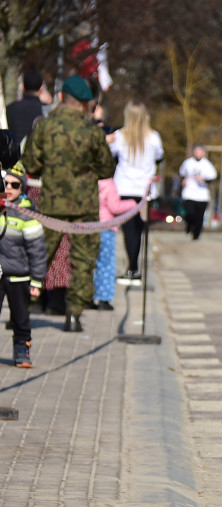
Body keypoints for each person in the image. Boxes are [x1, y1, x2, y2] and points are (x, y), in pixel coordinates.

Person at [21, 75, 116, 333]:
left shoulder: (44, 127)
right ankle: (73, 316)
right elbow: (107, 168)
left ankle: (23, 309)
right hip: (84, 206)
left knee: (38, 258)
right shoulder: (92, 133)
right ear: (85, 103)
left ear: (62, 98)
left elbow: (31, 165)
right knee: (83, 260)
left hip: (52, 205)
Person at [108, 100, 163, 285]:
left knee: (129, 231)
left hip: (125, 188)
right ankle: (134, 267)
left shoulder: (120, 136)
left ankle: (132, 268)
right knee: (137, 231)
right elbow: (159, 156)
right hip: (143, 190)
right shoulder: (154, 137)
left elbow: (111, 154)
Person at [1, 162, 47, 367]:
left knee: (20, 317)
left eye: (15, 185)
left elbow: (37, 251)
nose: (9, 188)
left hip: (19, 275)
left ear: (23, 189)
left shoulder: (27, 215)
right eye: (5, 184)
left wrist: (37, 281)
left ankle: (22, 349)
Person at [93, 177, 137, 310]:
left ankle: (87, 296)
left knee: (90, 263)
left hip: (89, 226)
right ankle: (104, 299)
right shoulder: (109, 184)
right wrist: (132, 203)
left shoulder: (89, 180)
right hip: (106, 227)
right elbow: (114, 206)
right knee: (106, 264)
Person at [178, 144, 217, 240]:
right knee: (190, 214)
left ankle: (196, 235)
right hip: (189, 194)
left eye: (200, 151)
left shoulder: (207, 165)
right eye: (197, 151)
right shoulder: (187, 163)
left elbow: (213, 178)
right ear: (194, 152)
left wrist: (203, 179)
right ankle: (189, 225)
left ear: (203, 153)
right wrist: (183, 180)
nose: (199, 153)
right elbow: (181, 174)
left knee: (199, 217)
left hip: (202, 195)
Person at [5, 71, 50, 146]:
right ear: (41, 88)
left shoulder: (10, 108)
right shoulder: (46, 109)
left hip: (16, 154)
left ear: (23, 87)